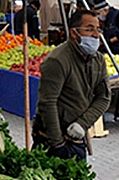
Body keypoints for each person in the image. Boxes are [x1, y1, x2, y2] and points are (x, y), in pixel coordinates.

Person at [32, 10, 111, 161]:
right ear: (74, 33)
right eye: (89, 29)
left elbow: (104, 97)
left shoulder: (98, 60)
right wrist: (57, 143)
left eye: (98, 29)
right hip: (51, 138)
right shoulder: (57, 60)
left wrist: (82, 124)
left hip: (76, 136)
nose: (96, 35)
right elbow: (48, 102)